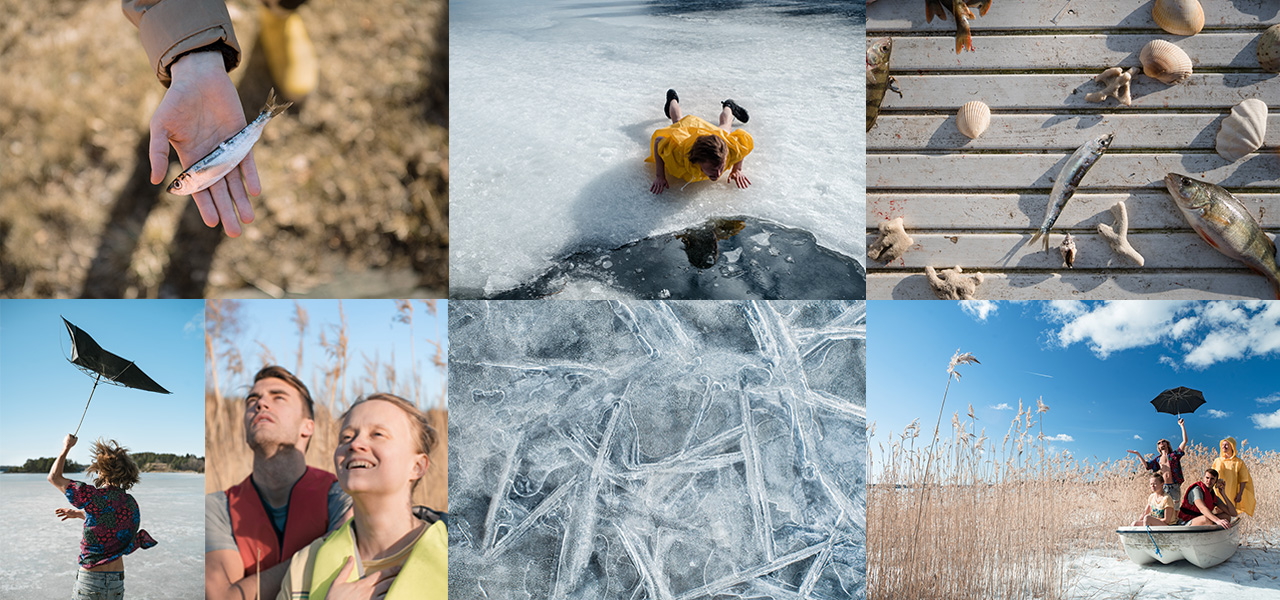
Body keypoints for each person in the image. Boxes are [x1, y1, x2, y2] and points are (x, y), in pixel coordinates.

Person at [122, 0, 316, 238]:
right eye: (178, 185)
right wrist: (193, 57)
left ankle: (279, 11)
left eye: (179, 184)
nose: (177, 187)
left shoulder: (195, 176)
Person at [277, 393, 446, 600]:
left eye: (377, 434)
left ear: (417, 467)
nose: (355, 444)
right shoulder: (304, 566)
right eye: (346, 437)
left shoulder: (467, 558)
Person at [206, 365, 353, 600]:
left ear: (308, 427)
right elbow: (222, 598)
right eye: (252, 399)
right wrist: (324, 547)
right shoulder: (217, 507)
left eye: (278, 398)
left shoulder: (339, 495)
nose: (260, 403)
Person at [48, 434, 158, 599]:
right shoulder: (130, 503)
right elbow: (111, 522)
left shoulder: (93, 497)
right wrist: (79, 514)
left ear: (102, 471)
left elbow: (54, 477)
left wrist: (66, 448)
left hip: (91, 580)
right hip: (116, 582)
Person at [647, 89, 754, 194]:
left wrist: (737, 169)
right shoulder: (679, 153)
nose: (718, 174)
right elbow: (658, 141)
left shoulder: (727, 152)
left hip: (715, 138)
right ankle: (672, 99)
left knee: (725, 127)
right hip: (685, 136)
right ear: (697, 161)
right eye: (712, 169)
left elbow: (741, 141)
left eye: (721, 167)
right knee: (678, 121)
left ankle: (729, 106)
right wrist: (660, 176)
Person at [1126, 417, 1188, 505]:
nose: (1161, 443)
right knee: (1163, 507)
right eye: (1159, 443)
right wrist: (1138, 455)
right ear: (1158, 447)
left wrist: (1182, 426)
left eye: (1163, 441)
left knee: (1175, 508)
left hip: (1174, 486)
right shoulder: (1158, 459)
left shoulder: (1174, 455)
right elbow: (1147, 466)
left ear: (1167, 444)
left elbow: (1185, 441)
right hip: (1164, 487)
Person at [1212, 436, 1255, 517]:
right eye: (1222, 445)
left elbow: (1243, 479)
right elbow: (1211, 475)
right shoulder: (1217, 461)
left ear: (1232, 446)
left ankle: (1228, 525)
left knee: (1228, 510)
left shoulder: (1239, 462)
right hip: (1217, 491)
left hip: (1231, 492)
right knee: (1216, 510)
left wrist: (1240, 494)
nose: (1223, 446)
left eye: (1226, 445)